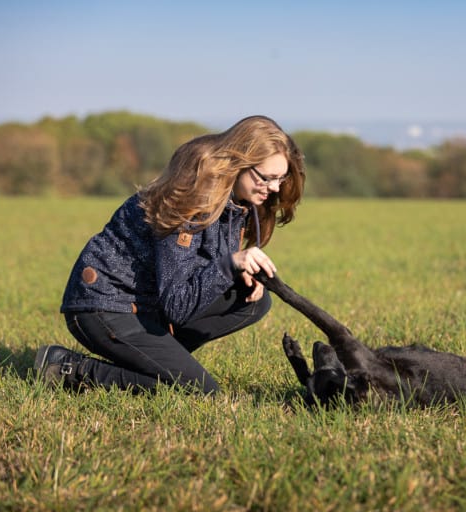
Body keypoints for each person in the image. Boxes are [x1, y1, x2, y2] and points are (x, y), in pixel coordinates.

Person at [35, 115, 305, 395]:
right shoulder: (187, 200)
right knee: (201, 391)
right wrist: (230, 264)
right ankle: (68, 368)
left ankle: (156, 360)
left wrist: (238, 272)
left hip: (148, 306)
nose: (275, 188)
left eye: (280, 178)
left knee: (251, 301)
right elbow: (178, 305)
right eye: (268, 178)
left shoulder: (236, 201)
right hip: (104, 306)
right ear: (239, 163)